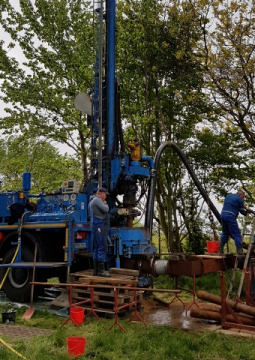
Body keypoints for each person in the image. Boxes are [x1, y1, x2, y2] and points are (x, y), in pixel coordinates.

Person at [220, 190, 254, 257]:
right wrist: (247, 212)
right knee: (237, 234)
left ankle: (220, 249)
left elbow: (232, 205)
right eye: (243, 197)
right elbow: (242, 211)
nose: (243, 198)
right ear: (240, 194)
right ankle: (240, 252)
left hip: (223, 215)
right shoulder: (239, 200)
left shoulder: (228, 196)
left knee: (225, 232)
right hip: (230, 216)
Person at [89, 187, 111, 277]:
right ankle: (101, 271)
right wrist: (105, 204)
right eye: (105, 194)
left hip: (95, 225)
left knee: (97, 247)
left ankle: (96, 270)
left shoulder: (91, 200)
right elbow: (106, 209)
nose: (105, 197)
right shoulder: (97, 200)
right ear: (101, 194)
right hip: (98, 225)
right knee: (101, 246)